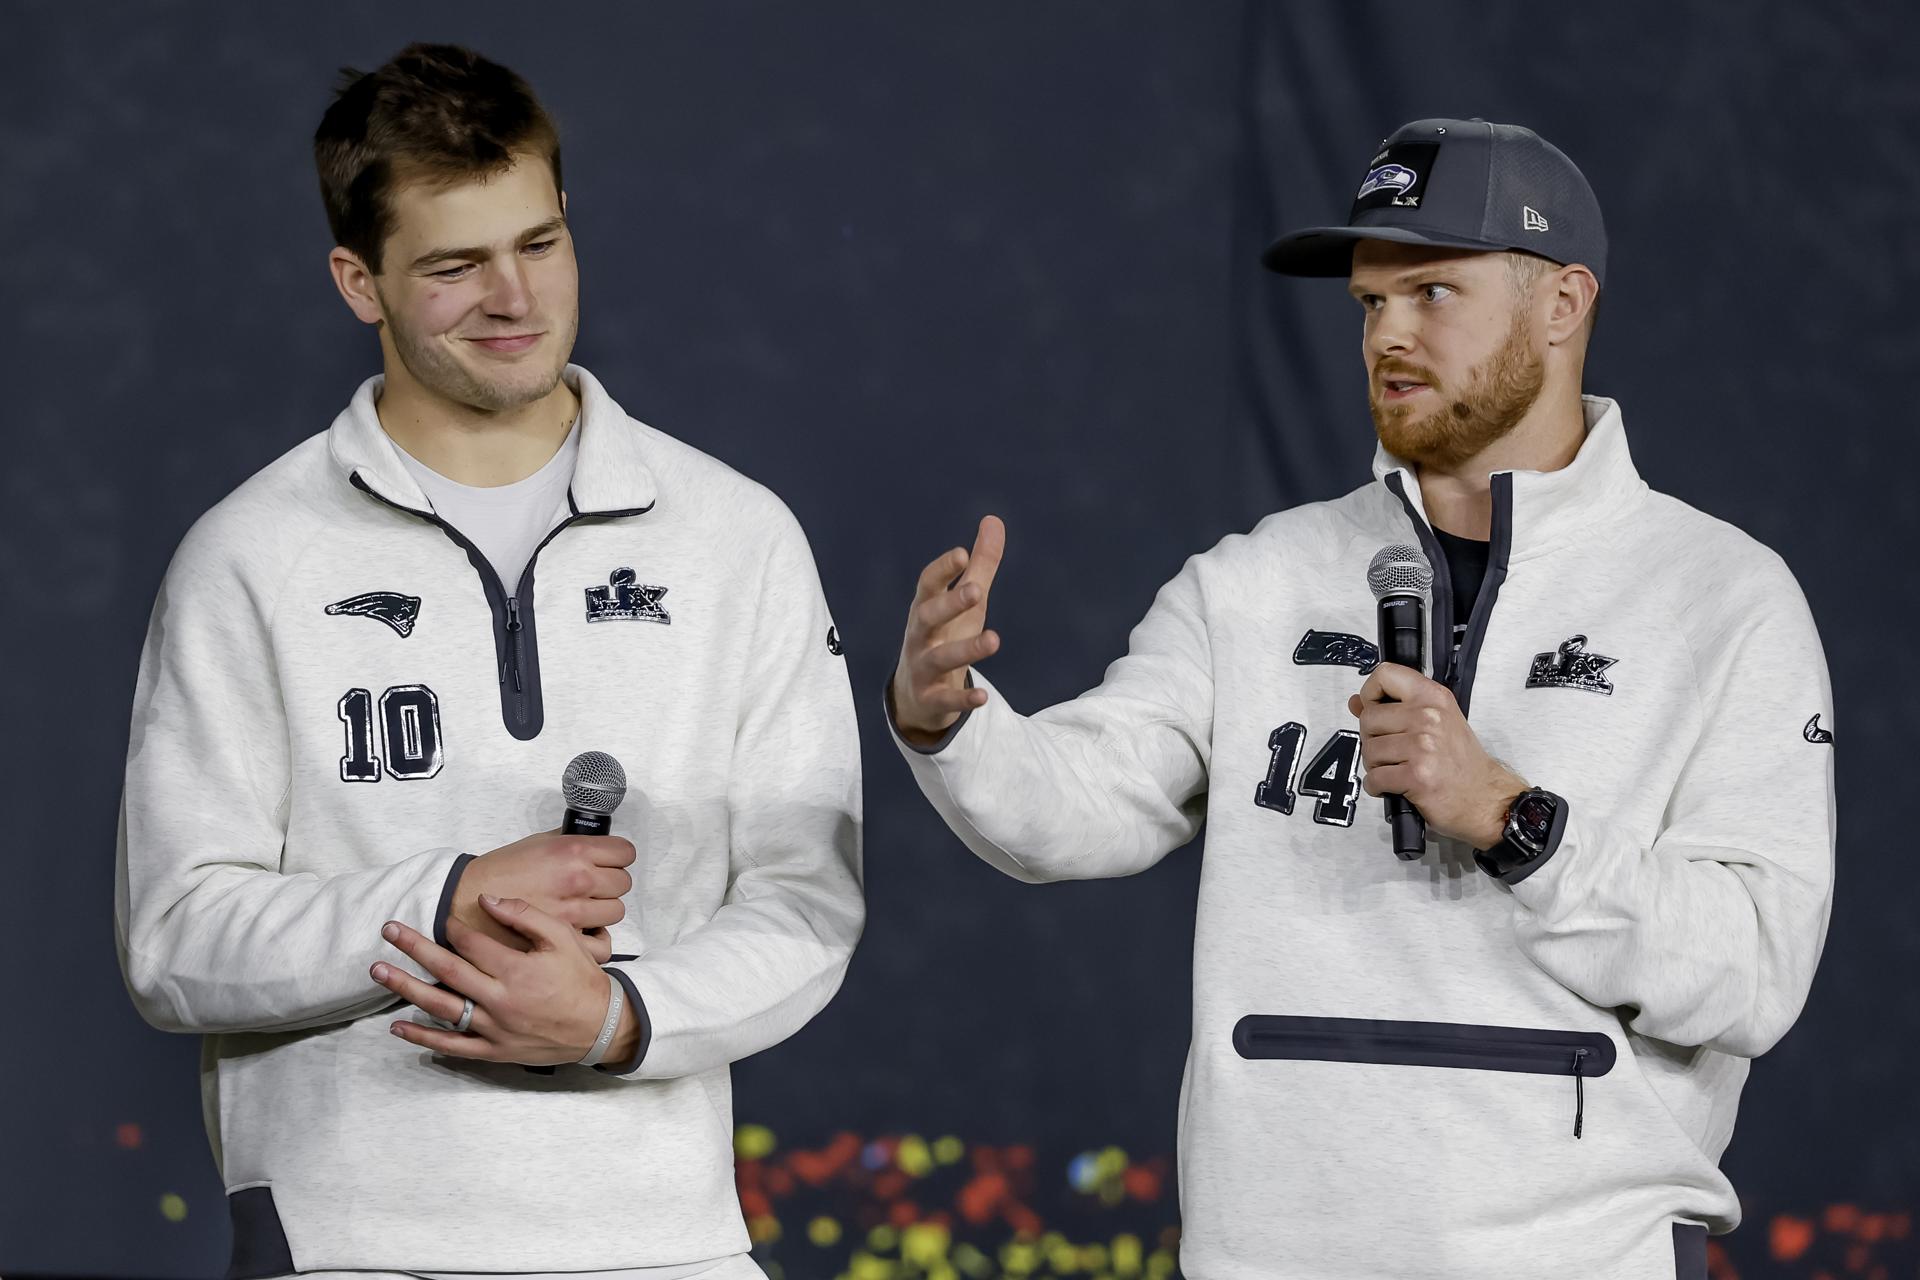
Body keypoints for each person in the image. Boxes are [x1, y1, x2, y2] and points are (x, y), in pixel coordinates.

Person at [886, 118, 1835, 1278]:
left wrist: (1512, 818)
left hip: (1582, 1254)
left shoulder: (1723, 599)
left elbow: (1752, 970)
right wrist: (953, 718)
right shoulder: (1257, 577)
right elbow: (1082, 801)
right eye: (1368, 304)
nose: (1389, 335)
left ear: (1563, 303)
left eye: (1433, 291)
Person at [114, 43, 863, 1280]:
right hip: (349, 1245)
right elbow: (176, 936)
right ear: (361, 282)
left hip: (667, 1243)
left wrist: (620, 1017)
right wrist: (445, 893)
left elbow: (807, 900)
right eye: (455, 266)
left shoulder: (738, 537)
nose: (514, 299)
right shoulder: (249, 556)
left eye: (539, 243)